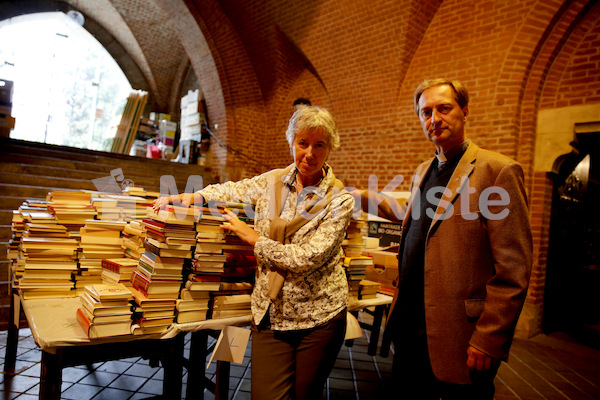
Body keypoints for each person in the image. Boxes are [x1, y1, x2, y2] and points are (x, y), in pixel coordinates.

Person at [153, 105, 353, 400]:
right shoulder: (272, 181)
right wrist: (194, 196)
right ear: (292, 143)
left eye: (319, 145)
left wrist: (255, 239)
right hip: (270, 313)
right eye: (303, 143)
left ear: (330, 148)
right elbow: (233, 190)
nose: (309, 153)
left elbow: (307, 258)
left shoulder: (339, 200)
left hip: (319, 318)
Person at [354, 78, 532, 399]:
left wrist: (489, 338)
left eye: (443, 108)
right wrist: (359, 196)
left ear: (464, 111)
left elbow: (513, 269)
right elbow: (414, 214)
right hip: (410, 327)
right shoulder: (424, 170)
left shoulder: (497, 171)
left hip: (459, 335)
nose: (434, 119)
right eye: (425, 113)